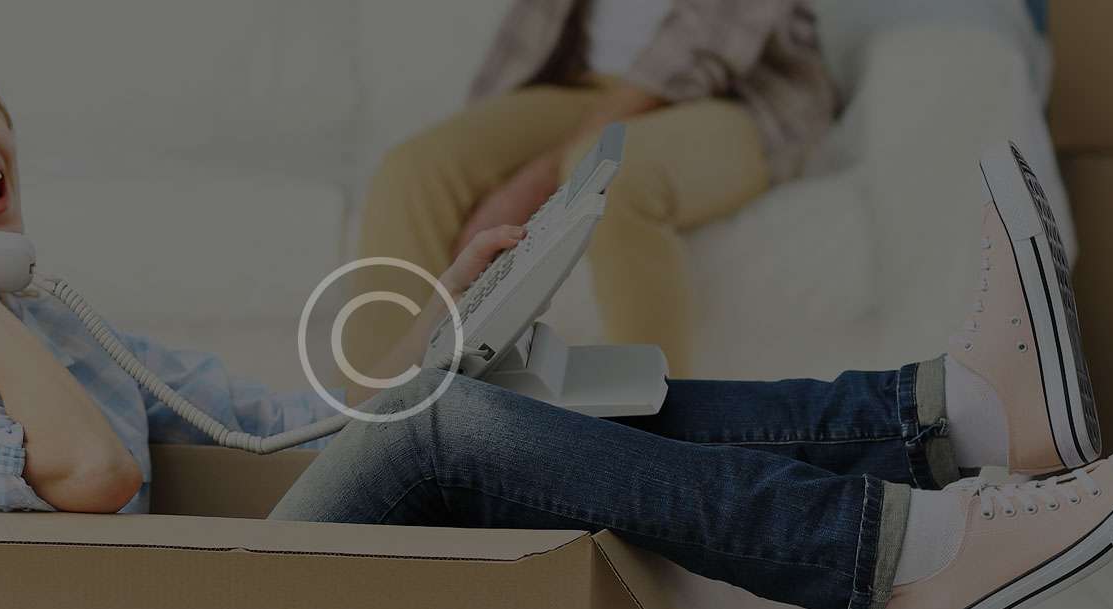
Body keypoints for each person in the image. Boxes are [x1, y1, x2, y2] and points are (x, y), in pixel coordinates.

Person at [0, 23, 1113, 609]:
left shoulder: (45, 318)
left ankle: (944, 418)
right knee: (443, 428)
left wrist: (443, 320)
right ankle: (904, 551)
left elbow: (283, 429)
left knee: (488, 397)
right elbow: (91, 481)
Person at [343, 0, 838, 379]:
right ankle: (366, 430)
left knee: (612, 176)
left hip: (737, 96)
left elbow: (706, 40)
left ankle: (657, 447)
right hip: (586, 86)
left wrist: (531, 180)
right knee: (413, 171)